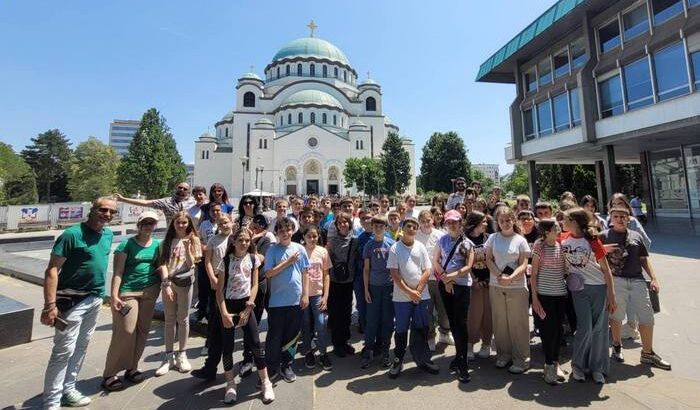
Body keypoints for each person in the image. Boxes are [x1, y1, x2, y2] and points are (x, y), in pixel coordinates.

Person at [41, 197, 117, 409]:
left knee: (81, 347)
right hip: (71, 300)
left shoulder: (108, 234)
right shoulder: (72, 234)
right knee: (63, 351)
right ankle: (51, 402)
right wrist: (50, 305)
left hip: (95, 298)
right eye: (103, 210)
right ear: (92, 209)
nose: (107, 215)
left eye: (112, 212)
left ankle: (68, 390)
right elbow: (52, 270)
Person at [602, 208, 671, 370]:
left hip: (637, 279)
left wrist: (653, 278)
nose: (619, 219)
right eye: (616, 216)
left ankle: (647, 352)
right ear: (611, 218)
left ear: (629, 219)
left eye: (623, 216)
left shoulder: (636, 236)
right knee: (616, 315)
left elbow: (644, 259)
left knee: (647, 315)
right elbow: (595, 258)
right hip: (616, 280)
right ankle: (617, 346)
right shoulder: (603, 236)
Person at [102, 211, 162, 391]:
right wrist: (114, 295)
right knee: (125, 331)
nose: (148, 226)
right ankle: (110, 372)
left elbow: (160, 266)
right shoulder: (126, 244)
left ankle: (132, 367)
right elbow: (118, 272)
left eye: (151, 223)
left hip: (150, 291)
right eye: (145, 223)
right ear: (139, 224)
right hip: (128, 291)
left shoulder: (157, 245)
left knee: (143, 331)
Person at [217, 228, 275, 404]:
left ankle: (265, 381)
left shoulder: (253, 259)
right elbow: (219, 290)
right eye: (240, 240)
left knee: (256, 343)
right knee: (227, 347)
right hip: (229, 305)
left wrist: (249, 307)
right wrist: (224, 313)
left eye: (247, 240)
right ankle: (230, 383)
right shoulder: (226, 261)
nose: (244, 243)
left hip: (246, 304)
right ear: (234, 242)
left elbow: (254, 285)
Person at [560, 207, 616, 384]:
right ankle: (578, 366)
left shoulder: (592, 241)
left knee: (599, 328)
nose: (562, 222)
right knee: (585, 328)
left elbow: (606, 270)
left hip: (598, 287)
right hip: (578, 289)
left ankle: (597, 368)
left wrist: (612, 295)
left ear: (574, 222)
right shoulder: (562, 239)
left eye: (565, 219)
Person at [386, 217, 438, 378]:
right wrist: (410, 292)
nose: (412, 229)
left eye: (415, 227)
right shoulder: (395, 248)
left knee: (421, 328)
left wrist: (419, 290)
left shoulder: (420, 246)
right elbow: (394, 273)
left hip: (421, 296)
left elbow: (427, 270)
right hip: (401, 298)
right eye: (408, 226)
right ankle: (398, 360)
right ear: (402, 228)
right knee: (401, 330)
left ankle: (423, 359)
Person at [484, 206, 531, 374]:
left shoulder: (520, 240)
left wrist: (510, 278)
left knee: (518, 323)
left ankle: (522, 358)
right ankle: (503, 354)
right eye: (501, 221)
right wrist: (499, 276)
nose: (505, 223)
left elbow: (524, 264)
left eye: (508, 220)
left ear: (513, 220)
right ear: (498, 222)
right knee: (500, 322)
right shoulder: (492, 238)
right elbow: (488, 259)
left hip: (517, 286)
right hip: (496, 284)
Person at [155, 211, 202, 376]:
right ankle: (168, 356)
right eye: (178, 223)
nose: (181, 225)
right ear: (173, 224)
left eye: (184, 222)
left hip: (185, 283)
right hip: (169, 283)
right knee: (169, 319)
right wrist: (166, 282)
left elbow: (191, 264)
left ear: (189, 223)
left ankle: (182, 353)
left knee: (183, 318)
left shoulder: (193, 240)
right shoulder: (166, 242)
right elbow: (162, 263)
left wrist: (188, 248)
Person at [264, 217, 310, 382]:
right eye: (281, 231)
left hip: (295, 300)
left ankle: (287, 364)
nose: (285, 233)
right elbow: (268, 273)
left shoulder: (300, 248)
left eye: (288, 230)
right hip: (277, 302)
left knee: (292, 336)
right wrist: (287, 262)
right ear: (277, 233)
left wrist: (305, 294)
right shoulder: (272, 250)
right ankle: (272, 365)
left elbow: (305, 272)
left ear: (292, 231)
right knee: (275, 335)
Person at [191, 214, 234, 381]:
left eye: (226, 222)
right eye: (221, 223)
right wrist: (212, 279)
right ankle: (210, 367)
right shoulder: (213, 240)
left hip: (235, 284)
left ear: (232, 222)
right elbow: (207, 261)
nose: (224, 225)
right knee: (217, 327)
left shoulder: (238, 238)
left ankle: (248, 361)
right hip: (218, 282)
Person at [433, 210, 474, 383]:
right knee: (452, 321)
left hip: (462, 286)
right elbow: (435, 261)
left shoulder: (467, 243)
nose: (452, 225)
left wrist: (451, 277)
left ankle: (462, 360)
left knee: (461, 323)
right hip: (445, 285)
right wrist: (445, 279)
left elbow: (468, 266)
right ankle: (458, 356)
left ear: (460, 222)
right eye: (449, 222)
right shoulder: (441, 240)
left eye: (455, 222)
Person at [530, 219, 568, 385]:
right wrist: (535, 298)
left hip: (560, 293)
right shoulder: (539, 246)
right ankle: (548, 364)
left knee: (558, 331)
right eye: (555, 227)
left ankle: (556, 363)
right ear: (546, 232)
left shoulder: (561, 245)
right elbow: (533, 274)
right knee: (548, 331)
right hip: (544, 295)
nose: (559, 228)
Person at [362, 215, 396, 369]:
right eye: (375, 225)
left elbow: (396, 267)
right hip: (374, 287)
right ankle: (368, 351)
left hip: (389, 287)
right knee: (372, 320)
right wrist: (366, 289)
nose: (378, 228)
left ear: (385, 227)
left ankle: (385, 352)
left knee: (387, 321)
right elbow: (366, 269)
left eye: (381, 225)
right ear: (372, 226)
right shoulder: (369, 245)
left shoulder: (392, 244)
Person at [415, 210, 450, 351]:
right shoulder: (416, 236)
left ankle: (445, 334)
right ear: (419, 223)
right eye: (423, 221)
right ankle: (430, 337)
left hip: (440, 278)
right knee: (427, 310)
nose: (426, 224)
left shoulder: (441, 235)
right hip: (424, 280)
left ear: (433, 220)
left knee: (444, 309)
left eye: (428, 220)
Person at [301, 226, 333, 370]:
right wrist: (302, 295)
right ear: (304, 237)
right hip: (303, 295)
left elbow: (326, 275)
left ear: (318, 236)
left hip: (318, 294)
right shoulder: (300, 251)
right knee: (306, 325)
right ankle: (308, 352)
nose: (312, 239)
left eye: (314, 236)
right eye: (309, 236)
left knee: (321, 324)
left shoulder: (323, 251)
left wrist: (325, 296)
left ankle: (323, 353)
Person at [326, 212, 358, 357]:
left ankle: (345, 341)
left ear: (349, 224)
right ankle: (337, 344)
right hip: (335, 282)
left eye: (345, 222)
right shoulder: (332, 242)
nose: (343, 225)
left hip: (349, 281)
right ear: (337, 226)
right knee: (336, 314)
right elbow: (327, 261)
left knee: (346, 313)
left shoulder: (355, 240)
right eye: (340, 223)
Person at [464, 211, 493, 361]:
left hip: (489, 282)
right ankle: (469, 344)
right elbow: (462, 261)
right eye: (483, 222)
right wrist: (473, 280)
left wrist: (489, 279)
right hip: (471, 283)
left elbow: (493, 259)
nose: (486, 224)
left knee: (488, 314)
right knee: (473, 315)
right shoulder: (464, 239)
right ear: (475, 223)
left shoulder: (489, 238)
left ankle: (486, 344)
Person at [115, 182, 196, 224]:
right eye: (180, 187)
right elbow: (146, 203)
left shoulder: (193, 202)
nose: (182, 190)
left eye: (185, 189)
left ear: (188, 192)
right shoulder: (166, 202)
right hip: (172, 235)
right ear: (176, 188)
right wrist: (123, 199)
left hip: (188, 235)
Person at [195, 203, 222, 322]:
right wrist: (204, 247)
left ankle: (213, 313)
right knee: (203, 287)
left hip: (219, 261)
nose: (215, 213)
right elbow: (199, 240)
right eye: (213, 210)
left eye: (217, 210)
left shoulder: (224, 223)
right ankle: (201, 311)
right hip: (205, 259)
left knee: (215, 289)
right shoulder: (204, 224)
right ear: (209, 212)